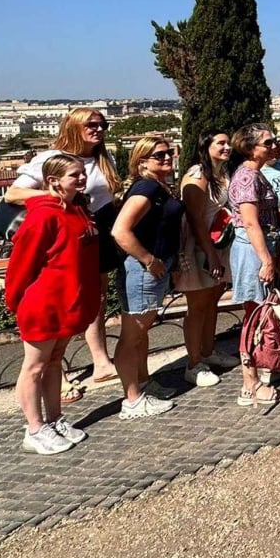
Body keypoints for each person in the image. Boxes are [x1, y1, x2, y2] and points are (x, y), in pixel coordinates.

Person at [4, 107, 121, 392]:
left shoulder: (105, 158)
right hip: (62, 238)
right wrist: (61, 197)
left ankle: (101, 361)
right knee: (60, 304)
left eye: (102, 124)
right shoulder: (49, 159)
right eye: (90, 124)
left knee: (95, 299)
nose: (98, 129)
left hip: (94, 233)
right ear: (72, 127)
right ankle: (60, 375)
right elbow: (13, 194)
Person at [4, 153, 103, 454]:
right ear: (53, 181)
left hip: (65, 300)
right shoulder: (43, 215)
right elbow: (22, 263)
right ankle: (34, 428)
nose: (82, 178)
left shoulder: (76, 210)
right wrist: (15, 301)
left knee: (55, 362)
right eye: (74, 175)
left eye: (81, 173)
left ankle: (54, 418)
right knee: (34, 366)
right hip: (43, 302)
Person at [111, 136, 186, 419]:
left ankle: (142, 384)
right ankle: (132, 400)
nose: (167, 158)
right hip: (143, 270)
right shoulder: (146, 188)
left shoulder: (158, 187)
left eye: (169, 153)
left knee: (140, 334)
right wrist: (148, 259)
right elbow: (120, 230)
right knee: (132, 336)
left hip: (154, 267)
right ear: (142, 161)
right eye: (159, 155)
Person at [227, 123, 280, 407]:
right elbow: (251, 222)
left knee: (264, 314)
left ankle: (264, 366)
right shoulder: (246, 178)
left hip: (262, 246)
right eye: (268, 142)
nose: (274, 145)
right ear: (250, 148)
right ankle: (248, 383)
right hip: (253, 249)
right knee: (256, 317)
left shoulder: (253, 174)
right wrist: (265, 259)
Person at [174, 131, 238, 388]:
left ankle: (209, 351)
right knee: (198, 306)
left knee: (212, 300)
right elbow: (194, 219)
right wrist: (210, 253)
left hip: (217, 244)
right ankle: (193, 363)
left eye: (228, 143)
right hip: (200, 247)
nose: (227, 147)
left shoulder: (220, 173)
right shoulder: (197, 176)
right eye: (220, 143)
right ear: (206, 146)